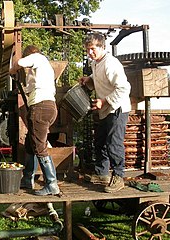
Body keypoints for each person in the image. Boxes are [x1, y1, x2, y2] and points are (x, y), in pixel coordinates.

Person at [79, 33, 131, 193]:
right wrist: (89, 80)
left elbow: (124, 88)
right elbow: (99, 79)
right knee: (100, 141)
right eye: (88, 50)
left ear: (102, 47)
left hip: (117, 109)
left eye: (93, 49)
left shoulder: (111, 63)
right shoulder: (96, 64)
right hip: (105, 109)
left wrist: (104, 101)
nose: (90, 53)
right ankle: (102, 174)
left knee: (113, 143)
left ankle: (118, 176)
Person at [9, 45, 60, 196]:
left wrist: (13, 68)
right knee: (30, 144)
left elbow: (21, 63)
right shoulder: (45, 68)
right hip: (47, 106)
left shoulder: (38, 58)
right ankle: (28, 179)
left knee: (39, 146)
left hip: (40, 107)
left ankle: (51, 184)